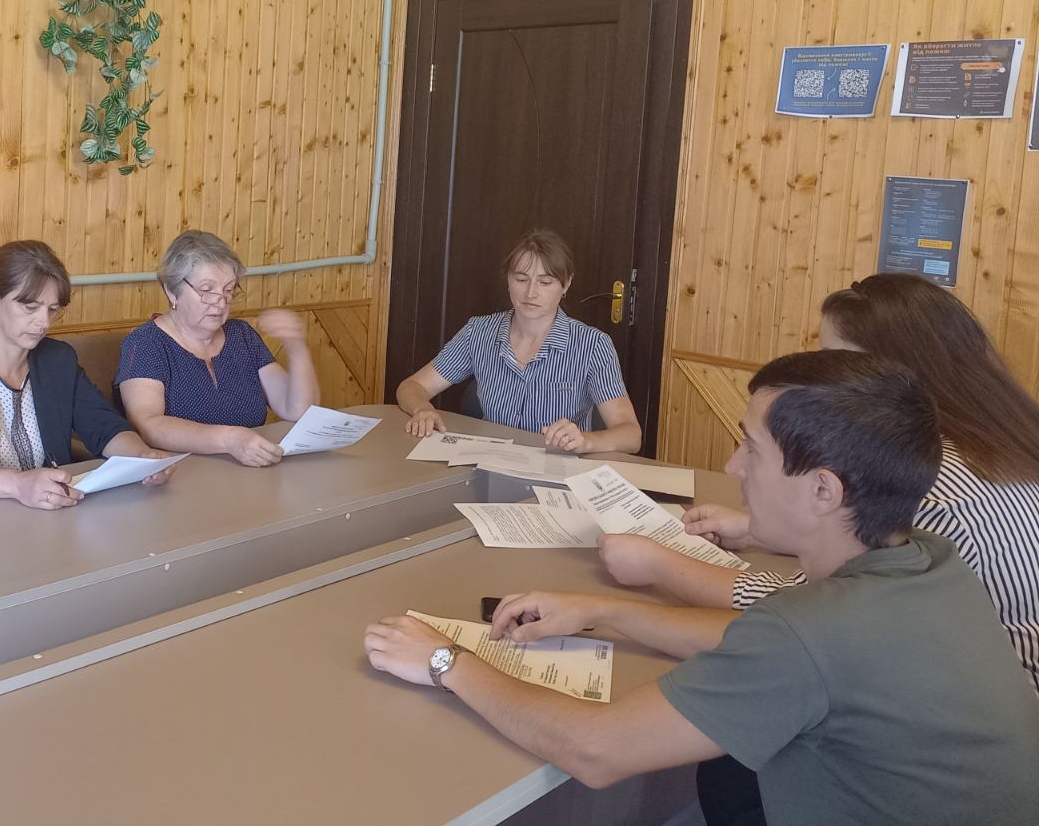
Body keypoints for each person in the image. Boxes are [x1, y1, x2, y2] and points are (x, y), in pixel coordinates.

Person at [364, 351, 1039, 825]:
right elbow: (758, 633)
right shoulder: (928, 562)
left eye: (752, 449)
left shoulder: (815, 632)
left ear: (824, 491)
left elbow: (597, 750)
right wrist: (602, 611)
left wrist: (446, 660)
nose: (731, 466)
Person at [600, 272, 1039, 691]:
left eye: (834, 363)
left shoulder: (929, 490)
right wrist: (754, 529)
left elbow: (811, 613)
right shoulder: (993, 444)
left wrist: (659, 566)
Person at [0, 241, 176, 508]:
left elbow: (104, 425)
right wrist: (17, 485)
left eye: (52, 310)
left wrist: (141, 455)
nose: (43, 323)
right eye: (30, 308)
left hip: (49, 512)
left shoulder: (58, 360)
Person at [396, 228, 641, 453]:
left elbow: (631, 434)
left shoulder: (593, 345)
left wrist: (585, 441)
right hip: (490, 464)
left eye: (545, 282)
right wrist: (422, 409)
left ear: (566, 284)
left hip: (557, 471)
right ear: (508, 280)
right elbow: (412, 386)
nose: (531, 293)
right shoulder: (478, 332)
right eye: (521, 280)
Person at [116, 230, 319, 468]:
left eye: (228, 289)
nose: (221, 302)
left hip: (250, 469)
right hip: (179, 474)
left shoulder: (241, 335)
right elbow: (147, 425)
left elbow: (297, 410)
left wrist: (296, 347)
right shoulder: (146, 343)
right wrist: (229, 439)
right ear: (172, 291)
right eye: (207, 290)